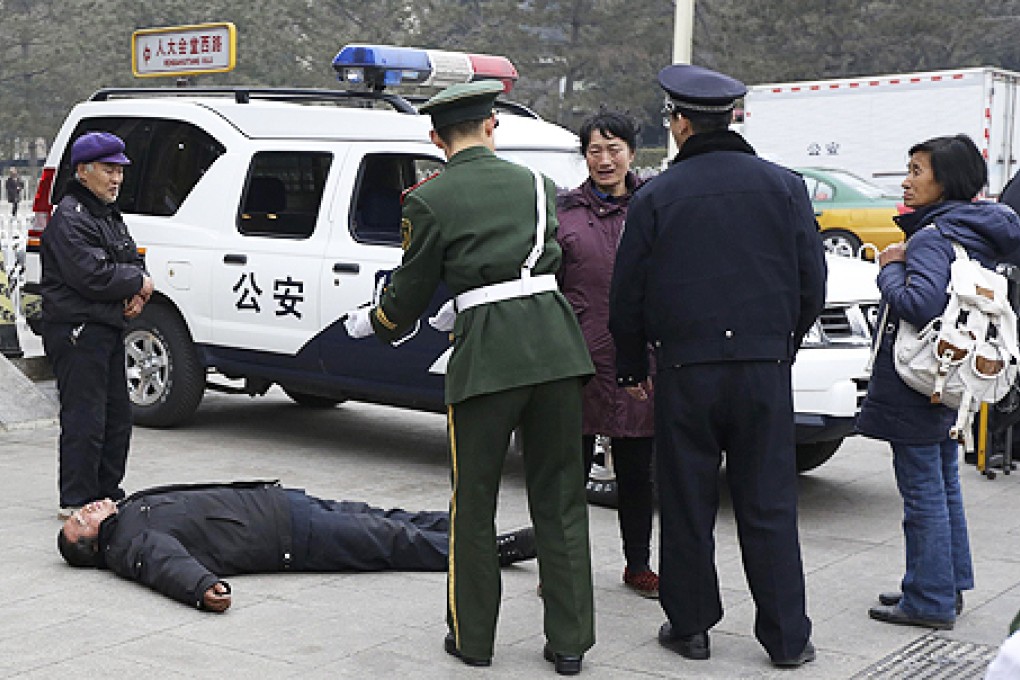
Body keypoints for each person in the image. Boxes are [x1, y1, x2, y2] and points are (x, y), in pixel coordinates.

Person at [342, 80, 596, 675]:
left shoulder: (428, 199)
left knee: (474, 503)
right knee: (560, 499)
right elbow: (539, 261)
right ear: (493, 126)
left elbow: (410, 290)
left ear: (435, 138)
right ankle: (569, 644)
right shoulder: (537, 185)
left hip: (487, 358)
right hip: (557, 350)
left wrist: (377, 321)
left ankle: (474, 640)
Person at [608, 64, 826, 667]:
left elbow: (627, 293)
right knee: (769, 504)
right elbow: (813, 283)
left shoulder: (655, 195)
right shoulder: (786, 187)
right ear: (733, 117)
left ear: (680, 124)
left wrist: (632, 366)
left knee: (686, 501)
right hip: (762, 367)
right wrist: (781, 345)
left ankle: (692, 626)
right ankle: (786, 639)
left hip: (685, 369)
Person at [858, 134, 1020, 630]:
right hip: (952, 379)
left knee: (923, 490)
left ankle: (928, 598)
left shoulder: (931, 237)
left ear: (944, 181)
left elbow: (916, 304)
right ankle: (944, 585)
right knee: (944, 482)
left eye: (916, 171)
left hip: (919, 381)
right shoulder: (978, 230)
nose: (907, 181)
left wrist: (890, 267)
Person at [57, 480, 538, 611]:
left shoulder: (129, 514)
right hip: (289, 538)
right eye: (83, 520)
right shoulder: (131, 546)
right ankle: (486, 551)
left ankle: (469, 527)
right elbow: (165, 564)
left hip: (281, 506)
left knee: (385, 518)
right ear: (92, 545)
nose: (88, 509)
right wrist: (202, 587)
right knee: (390, 541)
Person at [555, 110, 658, 598]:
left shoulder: (653, 206)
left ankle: (638, 564)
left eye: (614, 148)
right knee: (566, 472)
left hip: (639, 363)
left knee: (637, 472)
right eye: (595, 149)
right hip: (578, 359)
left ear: (632, 153)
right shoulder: (563, 214)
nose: (604, 159)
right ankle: (562, 564)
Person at [40, 132, 153, 519]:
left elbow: (131, 258)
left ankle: (107, 493)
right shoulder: (70, 216)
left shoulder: (107, 215)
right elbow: (92, 275)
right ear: (83, 172)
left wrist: (140, 286)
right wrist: (137, 283)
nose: (116, 179)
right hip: (77, 331)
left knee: (117, 416)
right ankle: (77, 498)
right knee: (85, 418)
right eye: (108, 170)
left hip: (106, 327)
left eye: (120, 170)